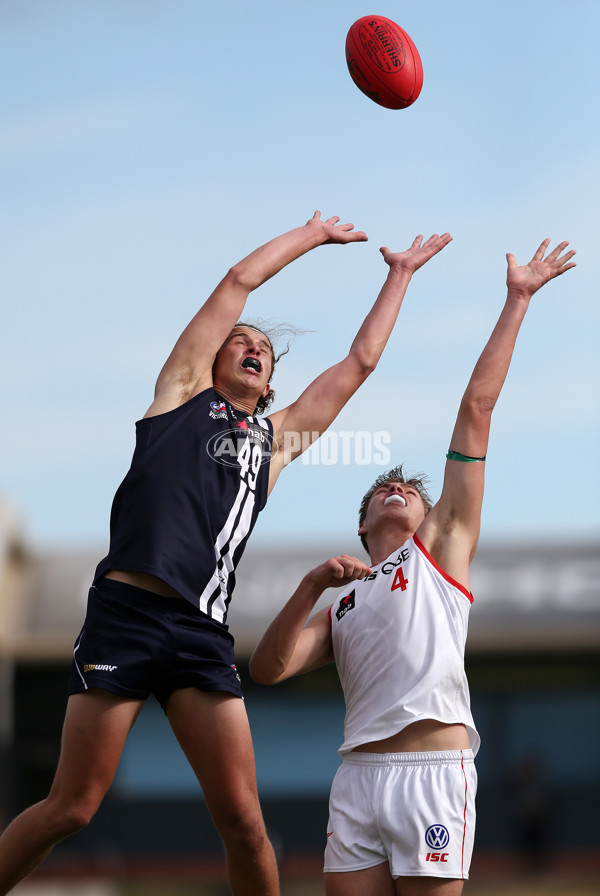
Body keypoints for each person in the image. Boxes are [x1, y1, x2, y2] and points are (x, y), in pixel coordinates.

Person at [0, 211, 452, 896]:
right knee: (74, 806)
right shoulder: (177, 396)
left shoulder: (274, 444)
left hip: (199, 634)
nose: (251, 345)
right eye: (237, 340)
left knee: (244, 824)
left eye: (262, 348)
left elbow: (359, 364)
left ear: (268, 384)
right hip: (124, 614)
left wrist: (399, 275)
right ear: (208, 360)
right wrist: (310, 235)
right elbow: (239, 280)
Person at [250, 237, 576, 896]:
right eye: (380, 492)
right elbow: (268, 668)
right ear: (362, 525)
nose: (395, 489)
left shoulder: (439, 553)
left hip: (433, 773)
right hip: (357, 780)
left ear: (432, 515)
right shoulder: (342, 602)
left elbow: (476, 412)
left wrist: (517, 300)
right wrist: (310, 586)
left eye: (410, 490)